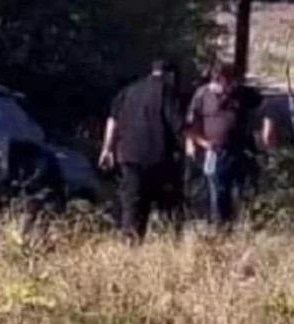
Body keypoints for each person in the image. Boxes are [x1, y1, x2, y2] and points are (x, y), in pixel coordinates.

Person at [99, 59, 186, 241]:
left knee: (132, 206)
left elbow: (112, 120)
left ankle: (130, 245)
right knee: (167, 207)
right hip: (159, 158)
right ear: (169, 74)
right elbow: (177, 125)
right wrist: (188, 150)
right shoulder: (167, 92)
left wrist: (107, 149)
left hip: (129, 156)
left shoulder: (129, 91)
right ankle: (168, 246)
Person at [185, 61, 275, 228]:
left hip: (240, 150)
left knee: (242, 192)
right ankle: (219, 229)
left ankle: (242, 226)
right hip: (214, 152)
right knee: (217, 194)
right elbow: (191, 124)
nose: (226, 86)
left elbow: (267, 107)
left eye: (230, 81)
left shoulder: (242, 94)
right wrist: (196, 143)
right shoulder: (202, 95)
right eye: (221, 81)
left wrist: (267, 129)